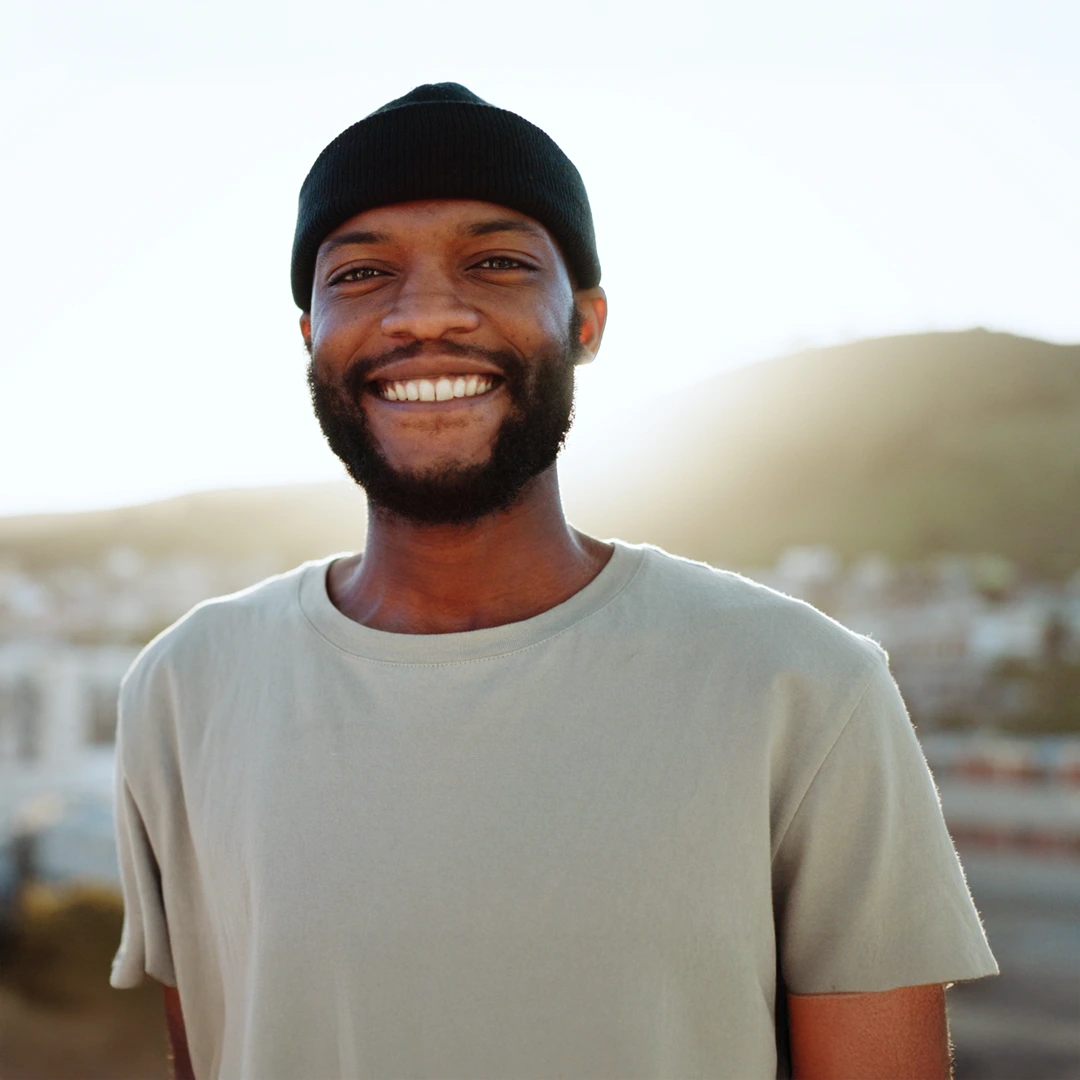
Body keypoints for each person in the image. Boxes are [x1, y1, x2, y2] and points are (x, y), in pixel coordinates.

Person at [111, 82, 998, 1080]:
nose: (428, 314)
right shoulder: (188, 688)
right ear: (310, 334)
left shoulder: (803, 685)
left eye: (495, 263)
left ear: (585, 321)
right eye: (361, 272)